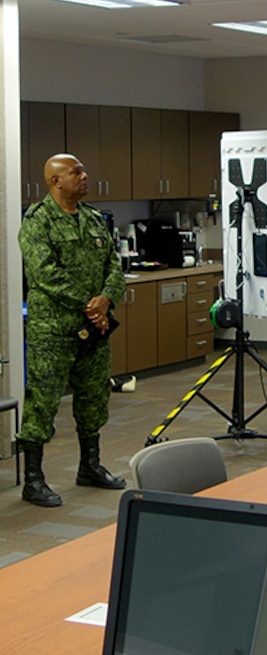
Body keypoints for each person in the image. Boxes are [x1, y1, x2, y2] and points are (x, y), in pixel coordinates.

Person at [18, 153, 127, 507]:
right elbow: (45, 274)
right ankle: (33, 480)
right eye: (75, 171)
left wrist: (107, 299)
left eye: (83, 168)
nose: (84, 175)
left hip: (94, 332)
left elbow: (114, 263)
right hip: (53, 331)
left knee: (93, 397)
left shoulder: (94, 219)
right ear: (55, 181)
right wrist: (91, 304)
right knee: (43, 403)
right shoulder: (37, 222)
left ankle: (89, 466)